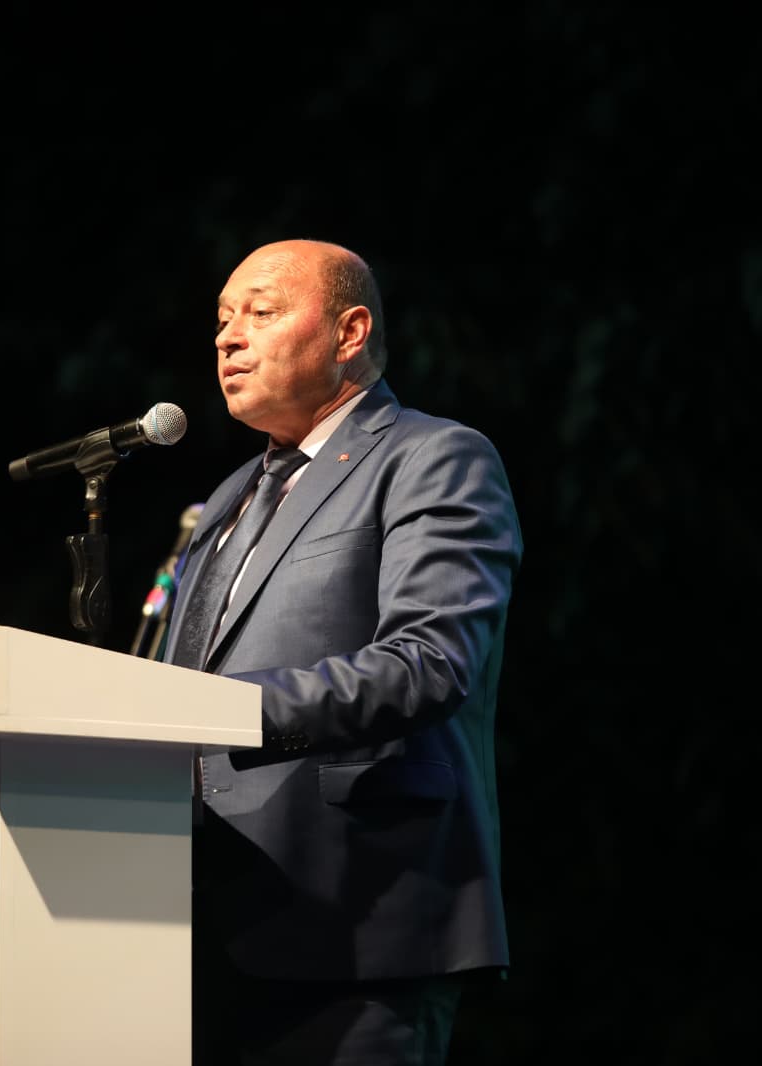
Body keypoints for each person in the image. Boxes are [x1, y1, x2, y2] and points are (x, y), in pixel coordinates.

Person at [162, 238, 523, 1066]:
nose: (227, 337)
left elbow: (431, 662)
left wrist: (228, 714)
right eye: (221, 320)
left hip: (358, 923)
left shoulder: (433, 458)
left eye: (260, 312)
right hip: (200, 931)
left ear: (349, 332)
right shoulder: (226, 500)